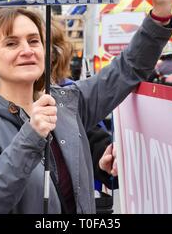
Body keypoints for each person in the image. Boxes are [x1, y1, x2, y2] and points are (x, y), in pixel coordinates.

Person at [0, 0, 172, 214]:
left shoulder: (67, 101)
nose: (27, 49)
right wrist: (31, 135)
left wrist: (161, 11)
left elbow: (128, 69)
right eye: (12, 43)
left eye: (34, 41)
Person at [50, 18, 118, 213]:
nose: (27, 52)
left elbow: (100, 153)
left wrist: (110, 161)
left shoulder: (70, 98)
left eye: (35, 42)